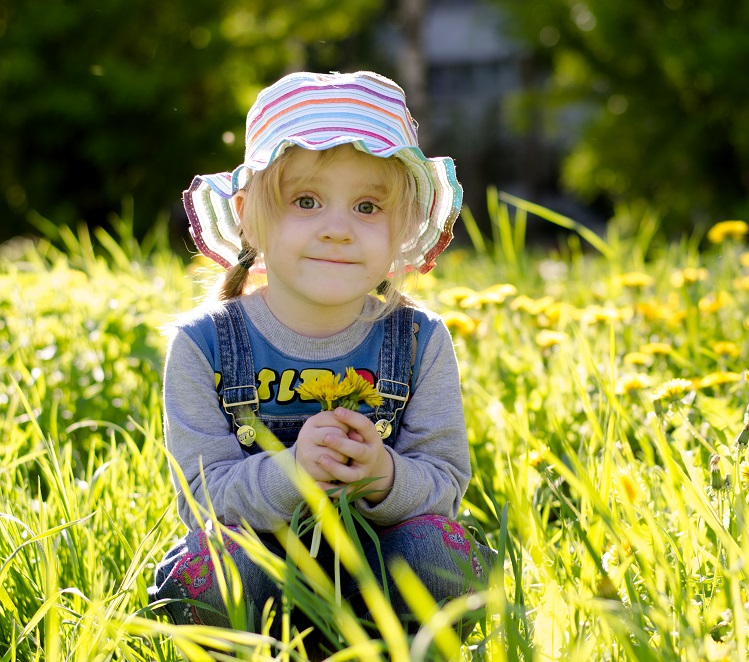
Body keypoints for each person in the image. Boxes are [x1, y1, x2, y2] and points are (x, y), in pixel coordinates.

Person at [148, 70, 492, 652]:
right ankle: (261, 644)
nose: (337, 229)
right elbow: (202, 499)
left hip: (380, 561)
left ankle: (389, 643)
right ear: (252, 215)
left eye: (366, 206)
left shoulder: (418, 340)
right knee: (203, 575)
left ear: (402, 227)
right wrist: (295, 471)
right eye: (306, 201)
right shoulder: (204, 345)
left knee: (445, 555)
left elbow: (444, 482)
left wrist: (384, 475)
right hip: (261, 561)